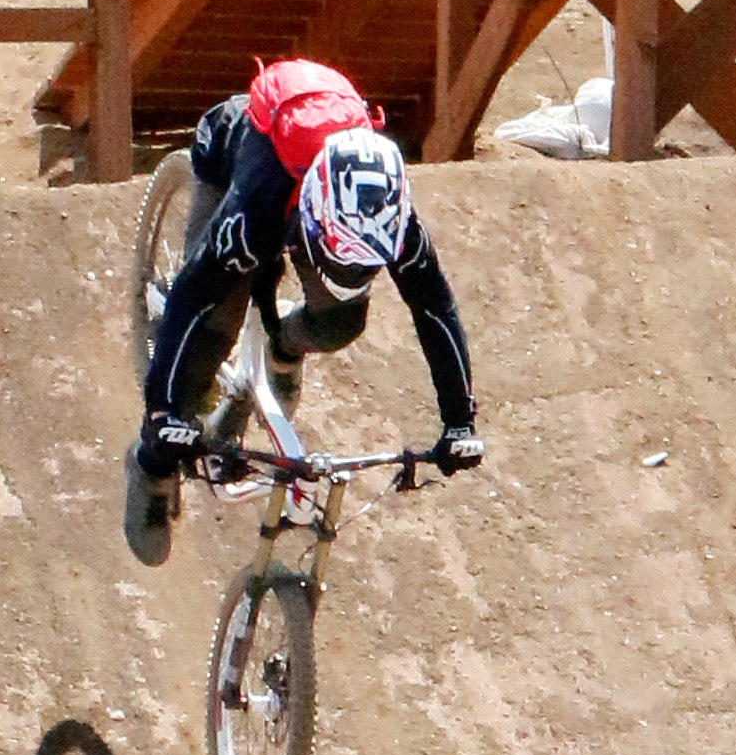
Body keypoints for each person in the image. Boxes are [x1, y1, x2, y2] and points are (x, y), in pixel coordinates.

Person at [124, 59, 484, 567]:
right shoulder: (257, 211)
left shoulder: (395, 220)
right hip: (240, 152)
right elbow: (188, 297)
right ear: (314, 220)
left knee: (341, 319)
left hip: (315, 190)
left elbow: (434, 307)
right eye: (341, 261)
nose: (355, 275)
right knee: (213, 328)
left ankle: (282, 350)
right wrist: (161, 414)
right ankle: (148, 470)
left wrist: (459, 421)